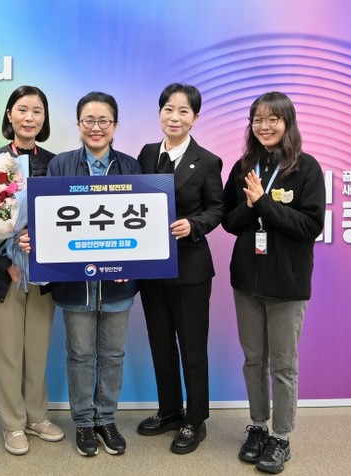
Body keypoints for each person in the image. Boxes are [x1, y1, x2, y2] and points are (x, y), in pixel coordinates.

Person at [21, 91, 141, 457]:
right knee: (80, 353)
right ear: (78, 124)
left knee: (114, 353)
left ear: (115, 126)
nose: (96, 127)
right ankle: (85, 422)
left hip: (118, 285)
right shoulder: (61, 165)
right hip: (75, 285)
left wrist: (131, 263)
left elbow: (141, 224)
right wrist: (34, 240)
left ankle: (107, 418)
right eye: (89, 120)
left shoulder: (131, 166)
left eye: (104, 120)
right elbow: (48, 219)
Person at [221, 91, 325, 474]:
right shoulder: (243, 167)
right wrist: (250, 207)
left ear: (287, 122)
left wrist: (265, 203)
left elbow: (311, 225)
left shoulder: (306, 168)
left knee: (283, 365)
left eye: (272, 119)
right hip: (246, 280)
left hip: (287, 283)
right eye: (257, 120)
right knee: (253, 360)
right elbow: (230, 222)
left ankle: (281, 436)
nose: (264, 126)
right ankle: (258, 427)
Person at [0, 85, 64, 455]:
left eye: (37, 111)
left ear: (44, 118)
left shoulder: (56, 163)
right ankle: (12, 424)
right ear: (9, 114)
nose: (29, 118)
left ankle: (37, 417)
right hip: (3, 275)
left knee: (38, 349)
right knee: (8, 351)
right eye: (22, 109)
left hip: (43, 274)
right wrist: (6, 261)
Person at [135, 83, 225, 454]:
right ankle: (170, 410)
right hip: (151, 267)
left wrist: (194, 225)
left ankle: (196, 419)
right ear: (160, 113)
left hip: (190, 270)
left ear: (195, 118)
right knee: (160, 343)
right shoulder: (146, 153)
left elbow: (217, 208)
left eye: (183, 111)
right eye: (168, 109)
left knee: (192, 345)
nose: (174, 117)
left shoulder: (207, 161)